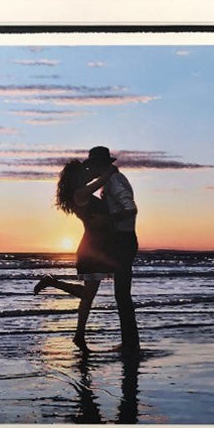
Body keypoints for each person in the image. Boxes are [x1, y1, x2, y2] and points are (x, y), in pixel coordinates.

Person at [33, 159, 118, 353]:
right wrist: (108, 170)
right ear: (77, 177)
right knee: (88, 294)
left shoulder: (79, 191)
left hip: (97, 248)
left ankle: (79, 336)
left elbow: (94, 178)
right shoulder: (80, 194)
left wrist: (97, 169)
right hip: (92, 250)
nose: (86, 174)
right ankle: (51, 281)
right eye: (82, 172)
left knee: (87, 298)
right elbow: (101, 179)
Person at [84, 146, 140, 356]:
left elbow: (130, 208)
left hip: (123, 240)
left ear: (100, 165)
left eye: (93, 166)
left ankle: (130, 344)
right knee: (122, 294)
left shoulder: (115, 181)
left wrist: (107, 220)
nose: (91, 170)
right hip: (121, 240)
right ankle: (129, 342)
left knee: (122, 295)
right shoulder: (110, 181)